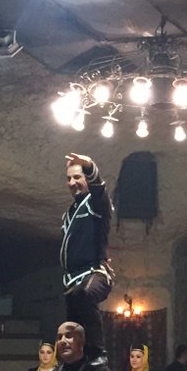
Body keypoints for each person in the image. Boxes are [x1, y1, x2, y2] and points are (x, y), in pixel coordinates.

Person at [60, 152, 113, 360]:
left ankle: (98, 352)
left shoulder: (96, 203)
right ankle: (77, 361)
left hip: (95, 271)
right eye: (69, 178)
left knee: (83, 295)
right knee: (72, 326)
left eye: (77, 177)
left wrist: (90, 167)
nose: (72, 182)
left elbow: (100, 190)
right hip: (71, 279)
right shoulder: (70, 212)